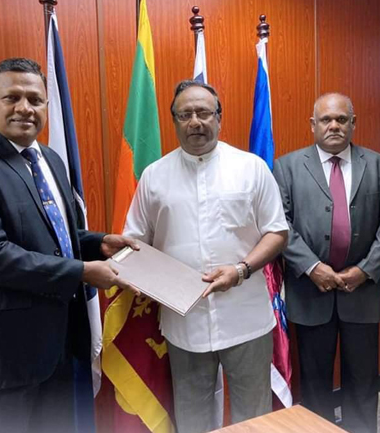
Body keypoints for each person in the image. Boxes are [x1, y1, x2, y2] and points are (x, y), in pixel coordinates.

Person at [0, 58, 139, 433]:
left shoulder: (50, 160)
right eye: (12, 97)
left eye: (35, 99)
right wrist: (82, 272)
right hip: (1, 357)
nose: (25, 108)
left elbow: (55, 237)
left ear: (46, 106)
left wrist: (98, 243)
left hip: (58, 349)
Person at [123, 80, 288, 433]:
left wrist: (242, 270)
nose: (195, 121)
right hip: (185, 322)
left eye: (203, 112)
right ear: (174, 121)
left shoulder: (252, 167)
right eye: (185, 114)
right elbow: (135, 241)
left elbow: (277, 231)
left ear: (219, 117)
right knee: (193, 416)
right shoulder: (154, 177)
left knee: (254, 416)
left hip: (246, 318)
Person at [273, 93, 380, 432]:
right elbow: (280, 223)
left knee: (362, 380)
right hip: (309, 291)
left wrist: (366, 269)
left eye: (341, 119)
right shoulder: (286, 167)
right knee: (314, 383)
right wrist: (313, 267)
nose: (334, 126)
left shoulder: (379, 166)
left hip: (362, 292)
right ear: (313, 125)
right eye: (326, 119)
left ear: (353, 124)